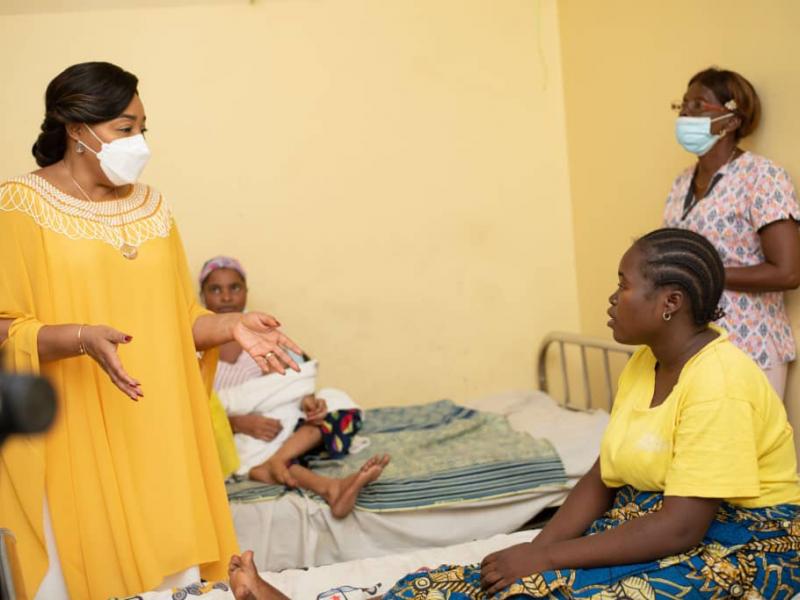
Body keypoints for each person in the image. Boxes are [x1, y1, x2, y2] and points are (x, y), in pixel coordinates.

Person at [228, 228, 800, 599]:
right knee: (473, 579)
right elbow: (602, 478)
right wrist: (536, 549)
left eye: (623, 285)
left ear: (670, 303)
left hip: (742, 543)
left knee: (545, 593)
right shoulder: (644, 365)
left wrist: (546, 557)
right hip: (654, 519)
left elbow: (682, 526)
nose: (611, 297)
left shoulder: (720, 380)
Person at [0, 62, 304, 600]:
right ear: (76, 129)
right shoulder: (19, 205)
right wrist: (79, 337)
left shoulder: (154, 206)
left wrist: (230, 324)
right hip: (72, 433)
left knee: (174, 579)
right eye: (124, 128)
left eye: (143, 126)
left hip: (156, 428)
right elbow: (6, 328)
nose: (139, 141)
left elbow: (180, 321)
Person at [199, 256, 390, 518]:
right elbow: (196, 405)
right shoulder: (196, 348)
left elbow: (294, 381)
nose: (226, 297)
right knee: (244, 457)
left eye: (234, 287)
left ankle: (278, 461)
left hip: (285, 422)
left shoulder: (264, 333)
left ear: (246, 292)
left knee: (336, 402)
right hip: (236, 433)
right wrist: (237, 423)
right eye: (215, 289)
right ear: (202, 296)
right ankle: (330, 487)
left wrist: (308, 403)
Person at [664, 67, 800, 398]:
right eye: (683, 104)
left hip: (749, 348)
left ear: (732, 120)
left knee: (745, 448)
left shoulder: (762, 177)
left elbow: (788, 272)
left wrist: (704, 274)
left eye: (698, 105)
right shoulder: (681, 182)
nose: (685, 112)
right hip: (693, 349)